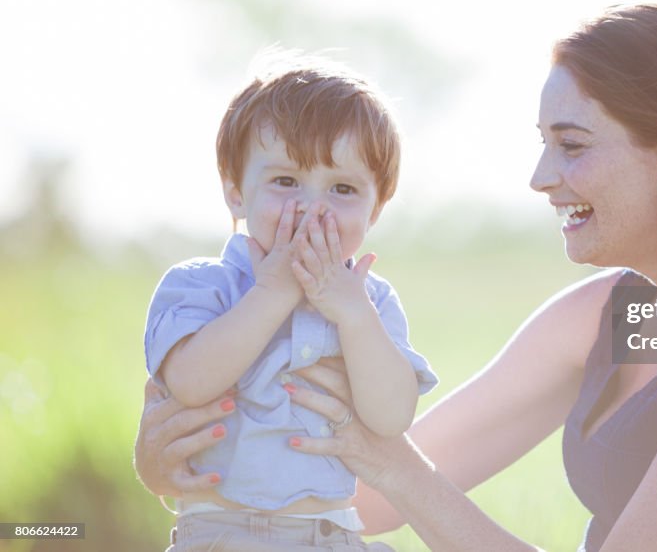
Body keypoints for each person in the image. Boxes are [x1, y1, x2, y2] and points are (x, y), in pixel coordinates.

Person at [137, 6, 657, 551]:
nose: (539, 176)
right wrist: (182, 468)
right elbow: (369, 495)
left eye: (571, 143)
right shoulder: (606, 316)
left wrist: (390, 464)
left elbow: (398, 474)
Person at [142, 54, 438, 551]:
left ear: (376, 210)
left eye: (342, 189)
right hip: (219, 533)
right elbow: (190, 384)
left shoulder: (371, 301)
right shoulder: (202, 286)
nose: (313, 207)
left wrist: (353, 315)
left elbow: (390, 419)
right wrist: (272, 293)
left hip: (329, 534)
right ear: (236, 193)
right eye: (285, 181)